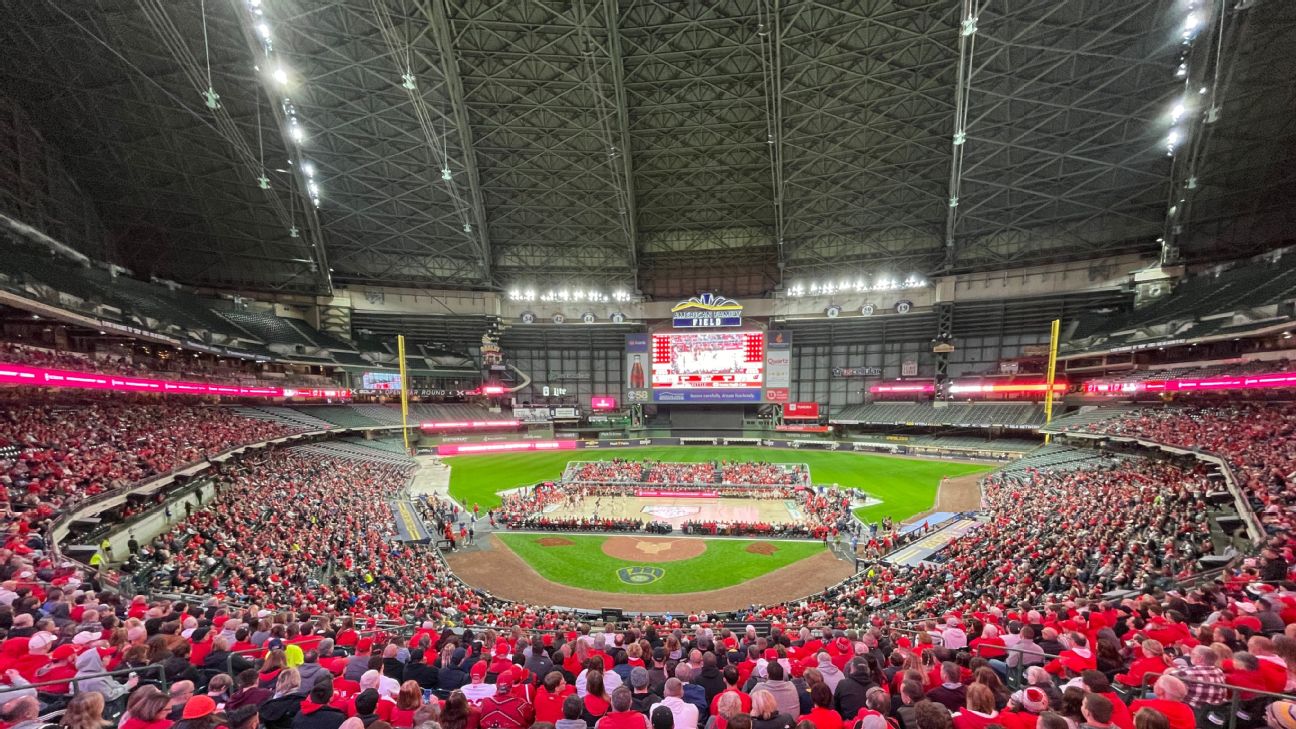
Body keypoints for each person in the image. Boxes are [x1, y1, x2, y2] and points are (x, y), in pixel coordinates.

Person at [1128, 677, 1193, 729]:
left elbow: (1127, 723)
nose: (1154, 684)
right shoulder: (1189, 711)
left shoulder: (1141, 706)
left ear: (1160, 691)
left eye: (1156, 682)